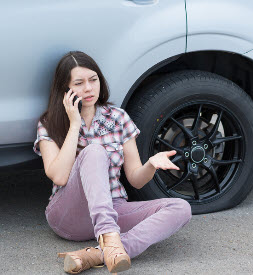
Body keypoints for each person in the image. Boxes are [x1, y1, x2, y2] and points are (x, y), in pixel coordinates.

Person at [33, 51, 192, 274]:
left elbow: (135, 180)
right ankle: (109, 237)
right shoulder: (49, 122)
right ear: (65, 90)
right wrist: (75, 124)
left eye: (93, 80)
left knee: (180, 208)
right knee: (95, 152)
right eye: (79, 83)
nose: (88, 88)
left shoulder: (118, 118)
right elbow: (58, 176)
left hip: (113, 208)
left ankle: (100, 252)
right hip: (69, 213)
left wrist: (151, 165)